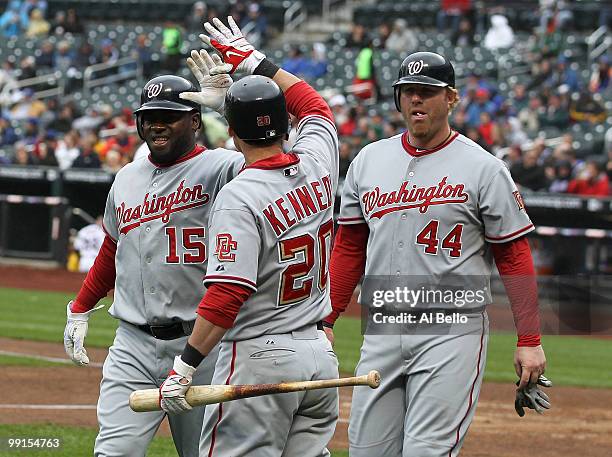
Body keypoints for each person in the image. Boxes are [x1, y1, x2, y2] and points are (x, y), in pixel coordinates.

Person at [323, 51, 548, 456]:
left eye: (426, 92)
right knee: (366, 450)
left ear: (451, 98)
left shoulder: (484, 168)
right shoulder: (368, 161)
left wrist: (529, 339)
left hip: (451, 329)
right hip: (383, 328)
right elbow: (349, 249)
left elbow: (514, 256)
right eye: (407, 92)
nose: (416, 100)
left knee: (428, 451)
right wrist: (328, 318)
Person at [158, 17, 339, 456]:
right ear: (284, 124)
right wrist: (255, 61)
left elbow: (227, 293)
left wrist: (186, 364)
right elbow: (314, 107)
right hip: (319, 356)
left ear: (232, 133)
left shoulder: (238, 196)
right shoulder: (319, 160)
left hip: (261, 359)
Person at [63, 64, 244, 457]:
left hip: (203, 345)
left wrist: (232, 108)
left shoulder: (223, 168)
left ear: (195, 120)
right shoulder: (127, 176)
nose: (157, 126)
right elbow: (114, 245)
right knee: (113, 452)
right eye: (149, 118)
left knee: (204, 453)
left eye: (169, 118)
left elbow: (276, 160)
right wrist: (80, 307)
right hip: (133, 344)